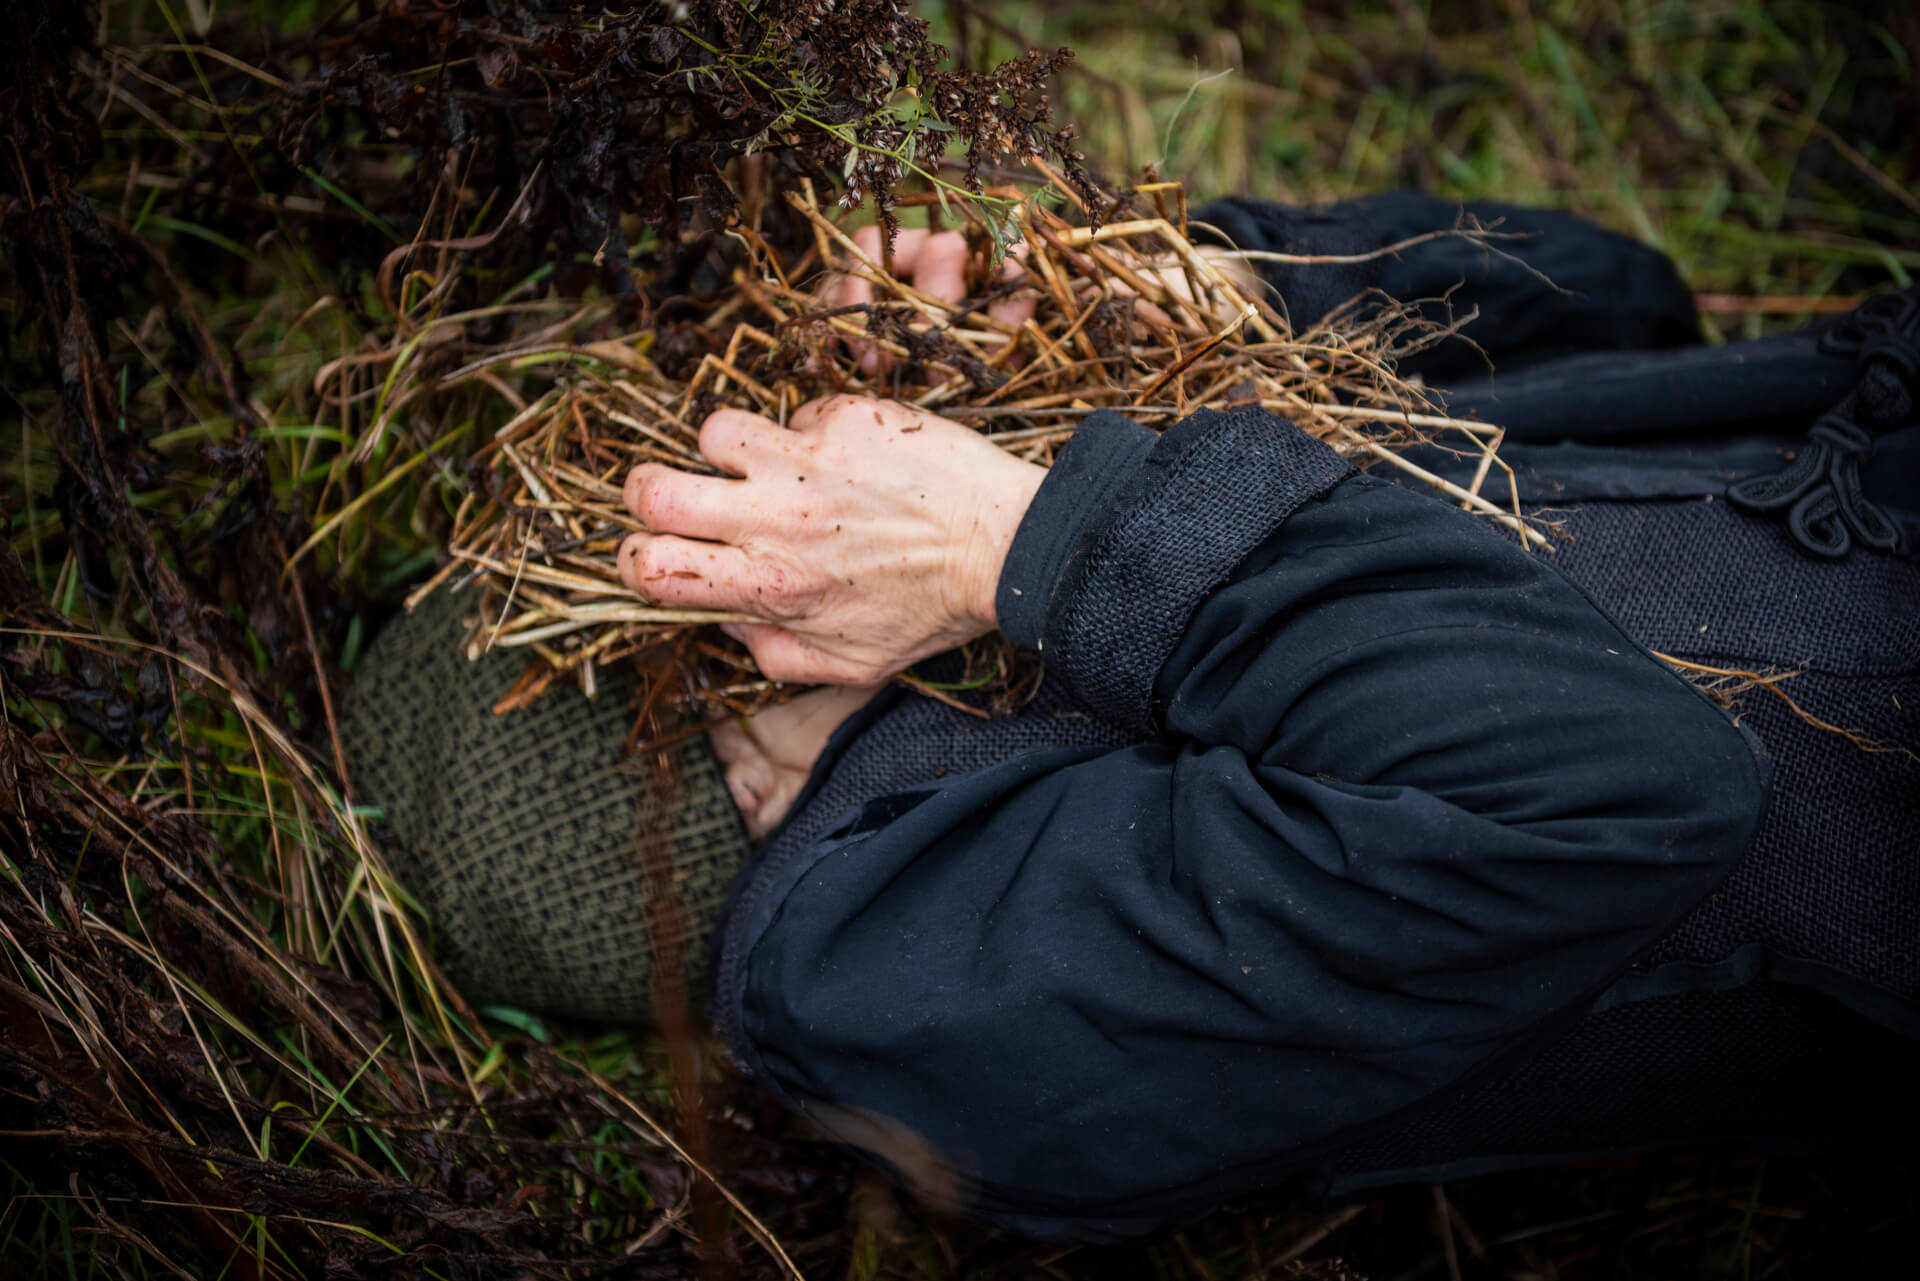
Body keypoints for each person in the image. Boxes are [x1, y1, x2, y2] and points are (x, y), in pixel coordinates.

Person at [342, 193, 1920, 1243]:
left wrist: (1209, 286)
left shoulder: (988, 616)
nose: (846, 483)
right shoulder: (945, 985)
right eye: (770, 552)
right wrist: (1018, 539)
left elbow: (1628, 304)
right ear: (737, 756)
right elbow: (1625, 789)